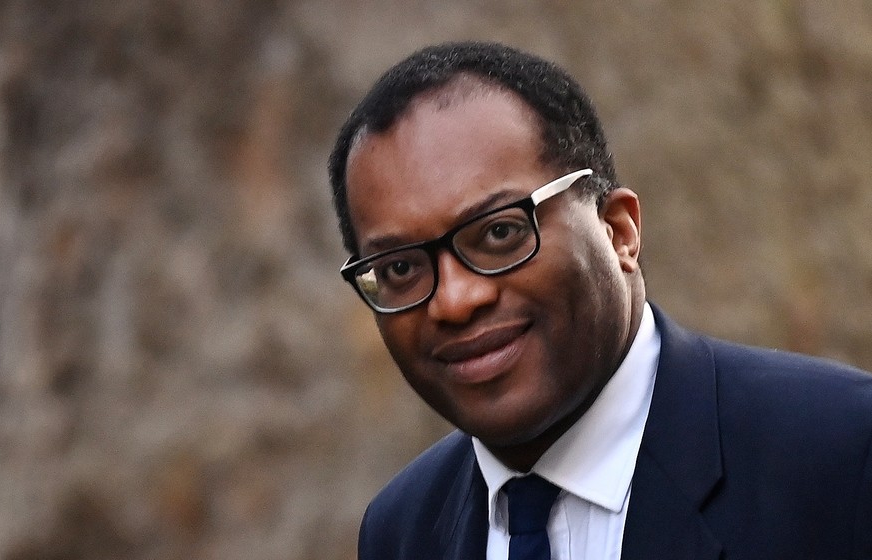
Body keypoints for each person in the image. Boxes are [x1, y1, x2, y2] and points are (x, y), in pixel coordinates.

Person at [327, 41, 872, 560]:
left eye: (499, 234)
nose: (455, 301)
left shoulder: (840, 455)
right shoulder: (402, 528)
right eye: (400, 268)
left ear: (619, 231)